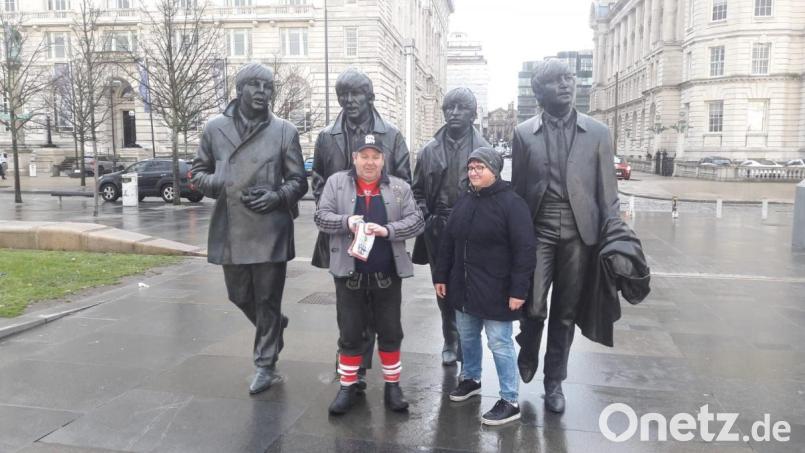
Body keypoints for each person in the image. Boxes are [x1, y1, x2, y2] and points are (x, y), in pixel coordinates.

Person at [191, 63, 308, 395]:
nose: (262, 92)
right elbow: (198, 173)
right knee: (239, 295)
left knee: (268, 298)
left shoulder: (284, 130)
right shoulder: (215, 128)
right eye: (254, 85)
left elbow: (299, 181)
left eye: (268, 86)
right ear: (239, 90)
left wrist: (276, 196)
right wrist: (221, 182)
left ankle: (265, 364)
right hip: (231, 226)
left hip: (271, 227)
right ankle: (273, 327)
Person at [511, 59, 620, 413]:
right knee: (535, 305)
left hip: (580, 233)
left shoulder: (598, 133)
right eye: (556, 81)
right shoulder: (524, 132)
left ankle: (554, 380)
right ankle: (528, 347)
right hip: (539, 228)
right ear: (540, 91)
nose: (566, 85)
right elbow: (518, 190)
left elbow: (608, 194)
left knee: (565, 313)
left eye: (569, 79)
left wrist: (614, 238)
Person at [311, 68, 412, 384]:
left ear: (369, 96)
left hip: (382, 237)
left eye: (355, 93)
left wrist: (386, 220)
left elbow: (405, 183)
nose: (349, 100)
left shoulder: (392, 135)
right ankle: (352, 368)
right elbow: (317, 181)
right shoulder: (327, 136)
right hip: (343, 235)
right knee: (349, 308)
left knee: (382, 310)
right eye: (343, 94)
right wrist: (339, 213)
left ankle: (359, 368)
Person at [314, 133, 424, 415]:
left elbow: (416, 221)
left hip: (386, 275)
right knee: (350, 334)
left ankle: (392, 386)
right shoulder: (336, 183)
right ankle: (348, 387)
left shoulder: (399, 188)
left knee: (391, 332)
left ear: (383, 159)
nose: (370, 162)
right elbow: (320, 216)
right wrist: (345, 221)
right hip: (348, 276)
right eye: (364, 156)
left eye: (375, 156)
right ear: (355, 158)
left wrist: (389, 230)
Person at [433, 147, 536, 426]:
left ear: (494, 170)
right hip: (463, 288)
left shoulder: (512, 204)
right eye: (471, 168)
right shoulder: (465, 201)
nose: (474, 173)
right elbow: (448, 242)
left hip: (497, 290)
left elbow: (525, 250)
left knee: (499, 343)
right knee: (467, 338)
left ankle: (510, 399)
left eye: (480, 168)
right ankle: (471, 379)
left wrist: (519, 291)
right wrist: (441, 276)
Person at [412, 87, 490, 366]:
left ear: (473, 113)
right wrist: (425, 216)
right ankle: (450, 337)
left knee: (470, 287)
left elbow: (495, 193)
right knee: (443, 286)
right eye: (450, 108)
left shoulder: (485, 150)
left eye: (462, 108)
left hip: (473, 230)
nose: (454, 113)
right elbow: (417, 190)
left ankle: (468, 340)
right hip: (439, 229)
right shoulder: (429, 150)